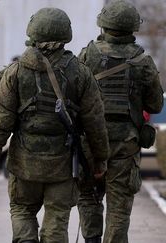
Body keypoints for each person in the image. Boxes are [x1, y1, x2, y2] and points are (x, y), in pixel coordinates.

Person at [0, 8, 110, 243]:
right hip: (62, 164)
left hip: (24, 163)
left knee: (22, 210)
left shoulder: (15, 72)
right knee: (57, 219)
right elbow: (94, 122)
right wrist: (100, 159)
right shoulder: (81, 73)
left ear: (33, 33)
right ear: (66, 34)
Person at [77, 1, 164, 242]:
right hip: (126, 145)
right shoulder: (142, 61)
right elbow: (156, 104)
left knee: (88, 197)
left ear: (103, 24)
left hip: (90, 143)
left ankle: (91, 239)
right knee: (119, 206)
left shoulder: (87, 55)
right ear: (132, 28)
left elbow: (73, 96)